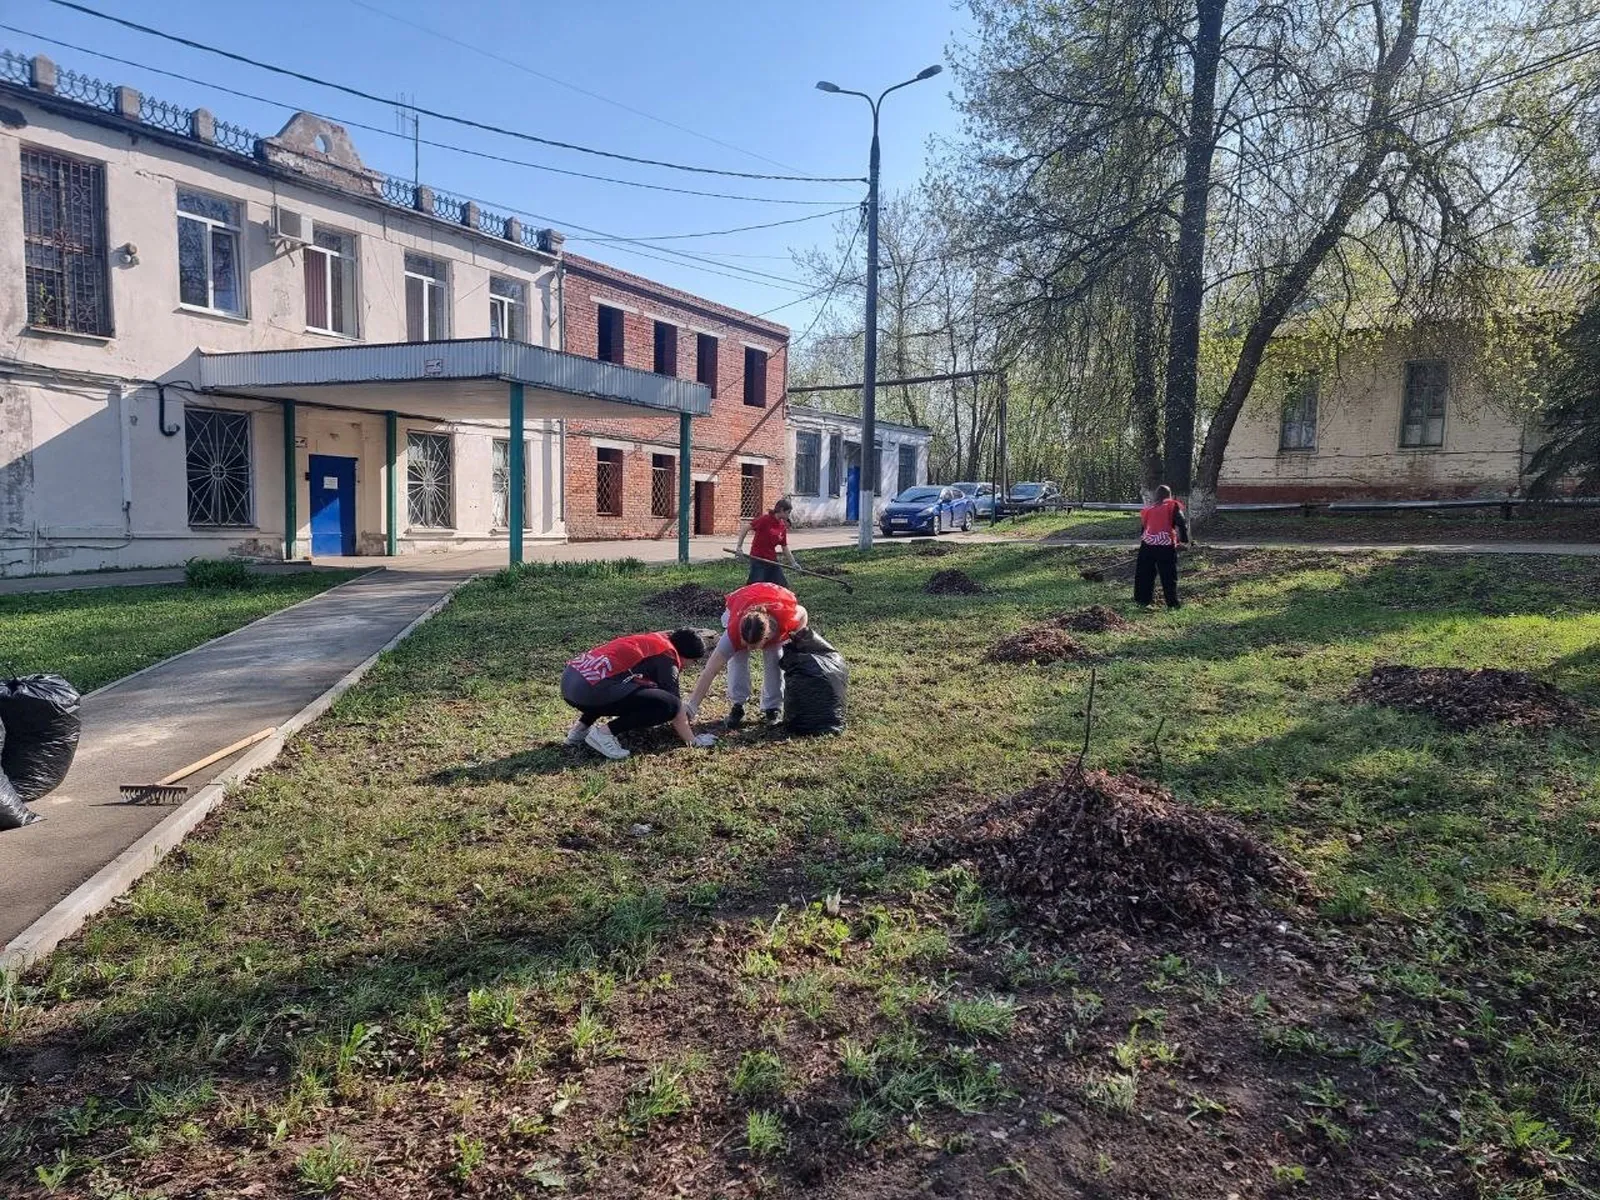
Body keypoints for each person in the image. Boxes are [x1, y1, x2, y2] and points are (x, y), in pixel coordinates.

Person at [562, 628, 718, 761]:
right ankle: (604, 734)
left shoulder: (655, 641)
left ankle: (579, 730)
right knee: (669, 705)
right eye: (694, 662)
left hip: (571, 681)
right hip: (589, 691)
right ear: (686, 655)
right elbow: (675, 706)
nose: (691, 666)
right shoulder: (667, 657)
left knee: (619, 683)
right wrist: (693, 741)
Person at [684, 582, 808, 729]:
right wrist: (691, 707)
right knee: (737, 657)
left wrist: (798, 642)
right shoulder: (734, 632)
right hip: (743, 599)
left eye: (753, 646)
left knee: (775, 658)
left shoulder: (786, 617)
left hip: (776, 596)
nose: (749, 648)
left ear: (766, 637)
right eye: (746, 643)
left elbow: (803, 613)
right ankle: (738, 705)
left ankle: (773, 708)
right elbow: (709, 671)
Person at [1134, 484, 1191, 609]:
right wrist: (1184, 540)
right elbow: (1181, 523)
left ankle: (1142, 600)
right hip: (1165, 545)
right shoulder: (1172, 505)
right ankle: (1172, 603)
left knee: (1144, 574)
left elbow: (1144, 529)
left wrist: (1146, 543)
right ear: (1169, 495)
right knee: (1168, 575)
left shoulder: (1148, 509)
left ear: (1156, 496)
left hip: (1147, 545)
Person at [736, 497, 800, 585]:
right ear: (781, 510)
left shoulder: (782, 526)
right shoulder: (765, 520)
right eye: (788, 512)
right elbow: (745, 528)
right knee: (756, 586)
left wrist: (793, 562)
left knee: (781, 586)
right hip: (758, 559)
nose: (789, 515)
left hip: (772, 560)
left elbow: (784, 547)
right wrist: (739, 547)